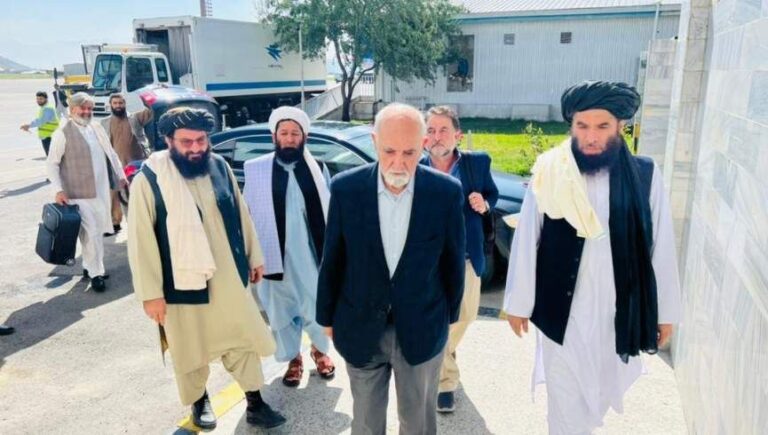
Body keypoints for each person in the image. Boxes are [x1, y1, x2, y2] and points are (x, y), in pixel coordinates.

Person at [503, 81, 682, 434]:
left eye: (602, 126)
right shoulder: (551, 170)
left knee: (598, 396)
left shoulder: (645, 175)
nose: (591, 137)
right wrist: (519, 302)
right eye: (582, 126)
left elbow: (661, 244)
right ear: (571, 126)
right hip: (563, 311)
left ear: (620, 127)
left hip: (618, 310)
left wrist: (665, 313)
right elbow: (527, 238)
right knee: (565, 404)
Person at [127, 107, 286, 431]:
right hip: (181, 284)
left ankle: (255, 402)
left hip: (229, 275)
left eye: (201, 140)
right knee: (190, 347)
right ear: (168, 141)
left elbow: (241, 213)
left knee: (242, 339)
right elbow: (141, 241)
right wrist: (151, 294)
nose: (196, 148)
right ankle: (199, 401)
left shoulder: (219, 166)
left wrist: (254, 256)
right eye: (187, 142)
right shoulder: (150, 178)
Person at [317, 103, 466, 434]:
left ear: (424, 144)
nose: (398, 163)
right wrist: (325, 317)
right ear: (374, 142)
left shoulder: (445, 192)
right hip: (360, 325)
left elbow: (453, 262)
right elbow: (333, 257)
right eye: (389, 151)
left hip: (422, 328)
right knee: (366, 422)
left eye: (409, 152)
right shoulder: (346, 188)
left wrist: (447, 320)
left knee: (418, 422)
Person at [243, 106, 335, 387]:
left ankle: (320, 352)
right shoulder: (256, 170)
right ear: (274, 136)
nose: (290, 138)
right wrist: (249, 257)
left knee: (316, 306)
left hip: (310, 257)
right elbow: (246, 215)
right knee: (280, 311)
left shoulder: (318, 169)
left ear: (304, 137)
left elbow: (331, 212)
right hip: (272, 256)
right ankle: (293, 359)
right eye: (284, 133)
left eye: (295, 133)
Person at [421, 105, 498, 412]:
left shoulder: (476, 164)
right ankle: (445, 383)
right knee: (436, 321)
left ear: (458, 135)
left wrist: (484, 203)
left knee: (465, 316)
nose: (437, 136)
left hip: (466, 257)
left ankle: (443, 353)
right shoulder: (415, 166)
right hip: (428, 262)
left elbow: (492, 194)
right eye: (430, 130)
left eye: (443, 130)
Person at [46, 92, 126, 292]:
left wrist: (121, 175)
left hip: (101, 191)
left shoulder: (96, 127)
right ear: (73, 109)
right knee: (92, 233)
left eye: (90, 108)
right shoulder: (62, 132)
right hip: (77, 194)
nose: (87, 111)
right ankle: (96, 273)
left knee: (97, 232)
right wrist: (58, 190)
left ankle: (89, 266)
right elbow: (52, 164)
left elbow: (111, 153)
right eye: (83, 108)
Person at [100, 93, 153, 234]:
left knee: (133, 195)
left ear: (125, 104)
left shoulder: (135, 118)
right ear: (111, 105)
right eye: (115, 103)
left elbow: (152, 110)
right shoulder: (104, 122)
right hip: (114, 165)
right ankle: (114, 223)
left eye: (121, 103)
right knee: (113, 195)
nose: (118, 106)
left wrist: (150, 96)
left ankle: (137, 224)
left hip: (135, 165)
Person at [21, 91, 60, 156]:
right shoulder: (44, 108)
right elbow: (40, 122)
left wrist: (28, 125)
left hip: (50, 137)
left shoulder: (48, 108)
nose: (38, 100)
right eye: (37, 99)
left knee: (52, 158)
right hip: (48, 136)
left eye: (41, 99)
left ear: (46, 99)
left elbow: (41, 121)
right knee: (52, 157)